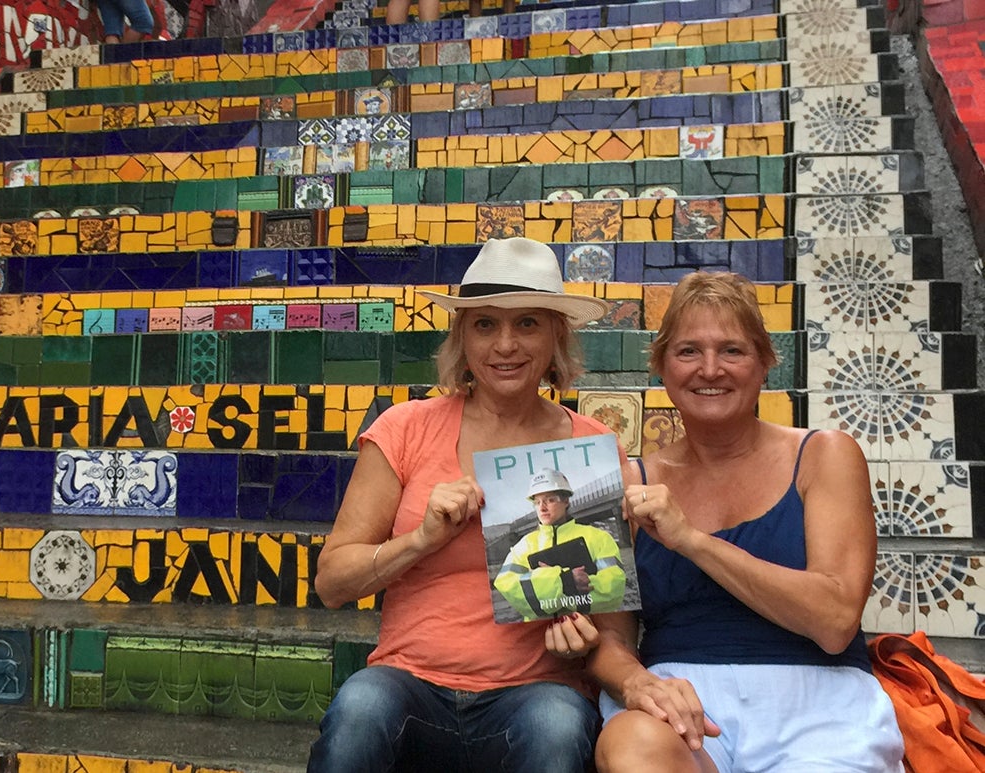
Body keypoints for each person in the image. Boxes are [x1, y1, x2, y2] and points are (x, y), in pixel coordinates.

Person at [307, 237, 620, 772]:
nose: (505, 345)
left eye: (527, 323)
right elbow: (332, 583)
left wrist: (583, 641)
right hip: (408, 682)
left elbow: (613, 614)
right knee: (359, 707)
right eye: (484, 324)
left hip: (535, 690)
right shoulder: (404, 428)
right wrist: (421, 540)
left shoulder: (588, 448)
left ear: (554, 337)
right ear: (462, 337)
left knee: (558, 727)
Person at [588, 271, 905, 772]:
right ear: (661, 366)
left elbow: (835, 622)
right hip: (683, 702)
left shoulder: (825, 455)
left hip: (817, 704)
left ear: (765, 364)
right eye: (688, 351)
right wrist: (636, 681)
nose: (709, 370)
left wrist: (692, 541)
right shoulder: (630, 480)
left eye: (732, 351)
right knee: (631, 747)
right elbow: (611, 638)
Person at [493, 468, 627, 619]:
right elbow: (508, 587)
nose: (542, 508)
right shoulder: (524, 546)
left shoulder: (599, 538)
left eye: (550, 500)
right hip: (539, 633)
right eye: (537, 502)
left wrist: (548, 589)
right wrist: (565, 581)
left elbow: (614, 590)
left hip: (591, 627)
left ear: (566, 501)